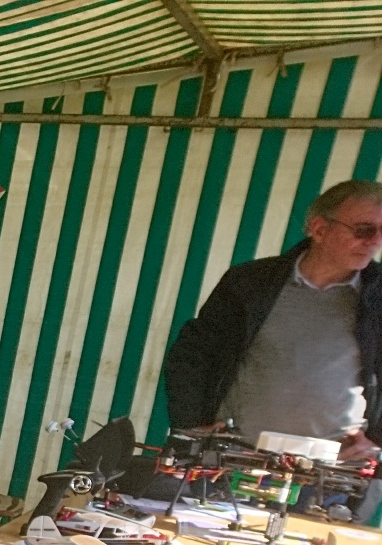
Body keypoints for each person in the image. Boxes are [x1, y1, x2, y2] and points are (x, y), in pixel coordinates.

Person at [163, 179, 382, 459]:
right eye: (364, 230)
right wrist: (192, 425)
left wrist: (377, 443)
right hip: (235, 457)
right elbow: (192, 354)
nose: (375, 241)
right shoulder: (250, 282)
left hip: (335, 468)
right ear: (319, 229)